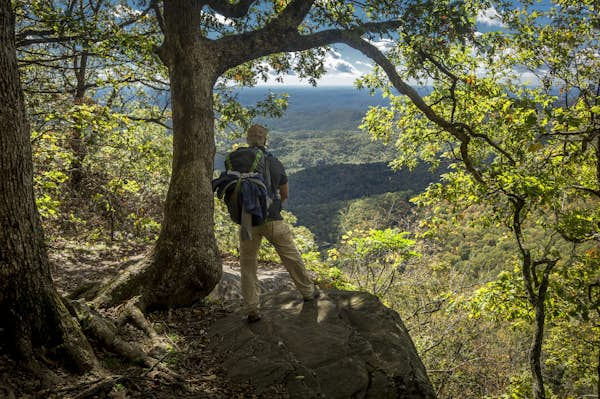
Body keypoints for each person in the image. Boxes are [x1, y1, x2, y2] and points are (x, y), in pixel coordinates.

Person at [239, 124, 319, 322]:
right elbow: (285, 194)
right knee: (291, 256)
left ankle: (252, 308)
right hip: (273, 219)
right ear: (265, 140)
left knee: (248, 265)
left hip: (247, 221)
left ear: (248, 140)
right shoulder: (274, 163)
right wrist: (272, 206)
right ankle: (308, 292)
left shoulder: (236, 161)